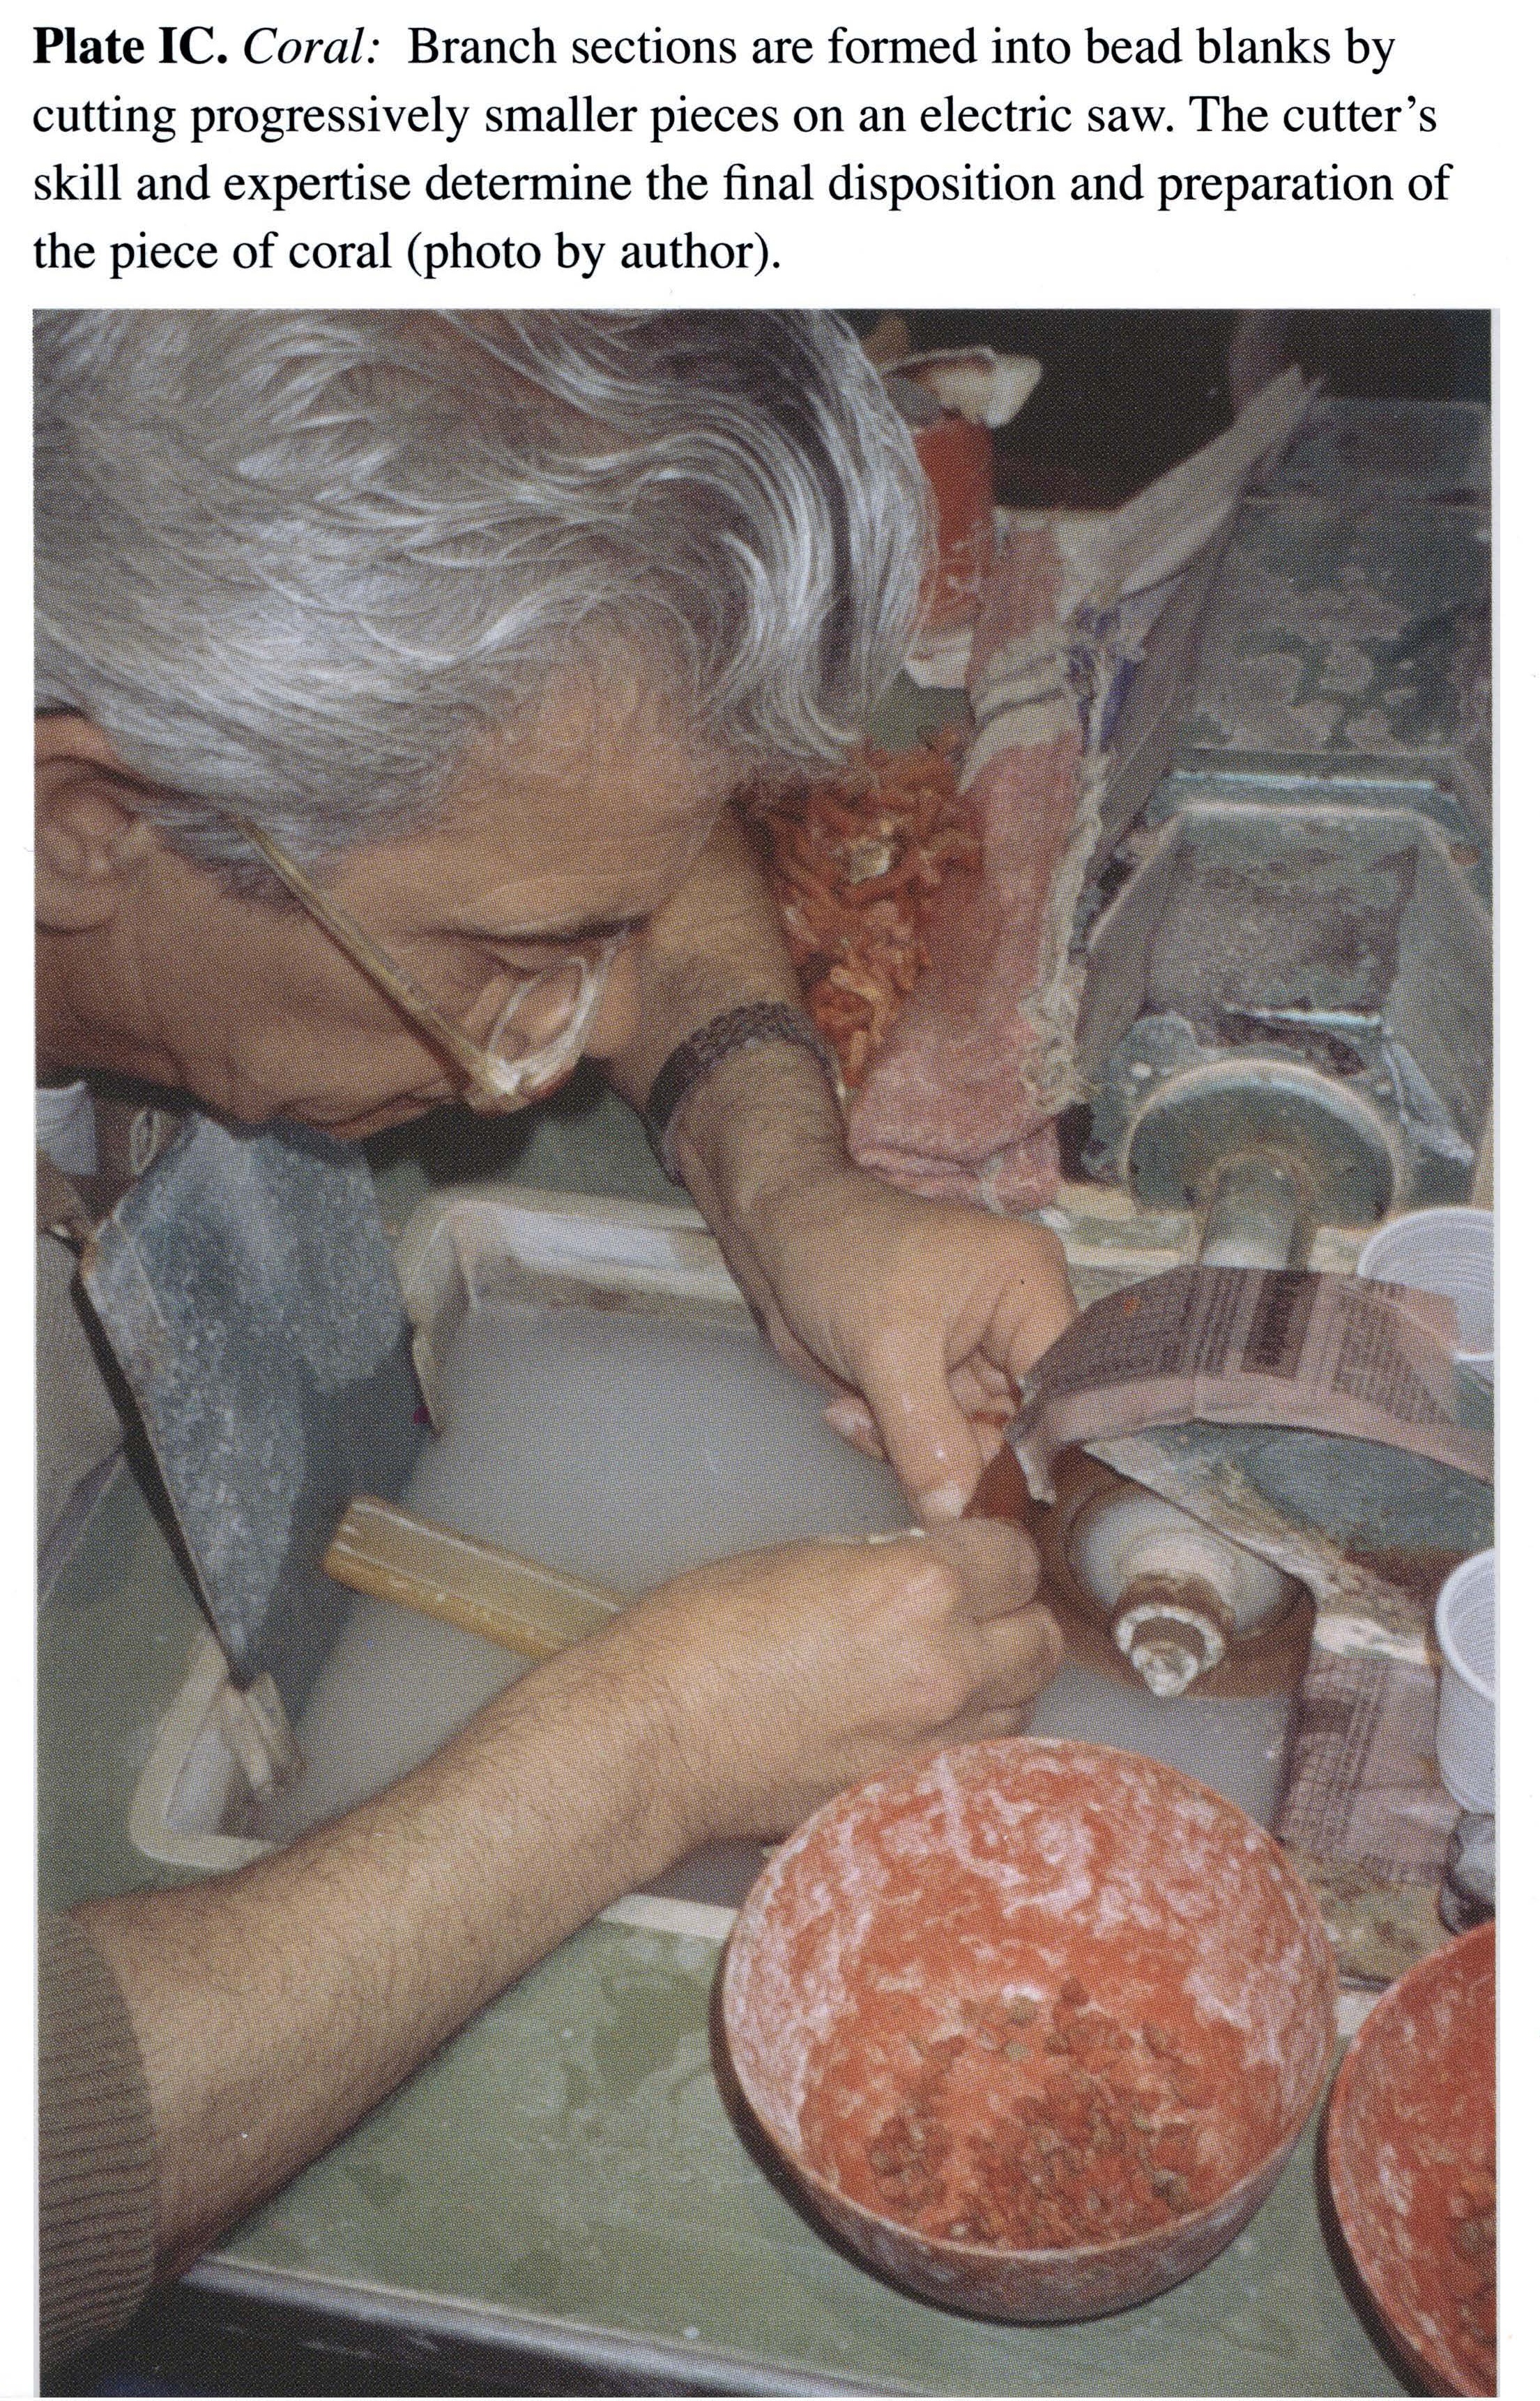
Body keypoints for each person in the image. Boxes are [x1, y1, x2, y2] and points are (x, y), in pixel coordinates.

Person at [36, 310, 1074, 2365]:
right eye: (506, 966)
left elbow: (617, 813)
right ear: (86, 817)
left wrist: (780, 1176)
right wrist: (646, 1743)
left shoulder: (253, 761)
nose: (551, 1058)